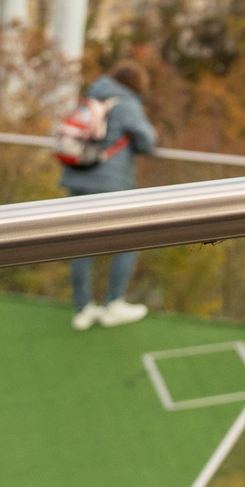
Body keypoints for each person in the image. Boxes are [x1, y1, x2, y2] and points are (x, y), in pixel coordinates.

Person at [64, 59, 159, 330]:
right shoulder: (126, 103)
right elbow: (147, 141)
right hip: (111, 184)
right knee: (131, 237)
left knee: (81, 244)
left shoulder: (91, 97)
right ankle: (113, 303)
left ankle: (82, 309)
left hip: (78, 177)